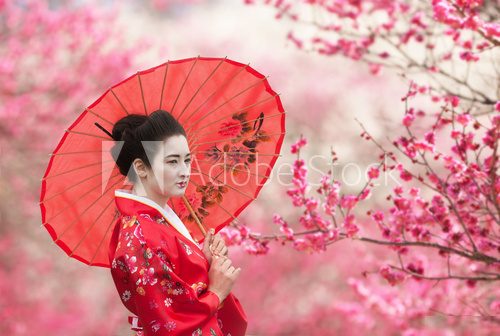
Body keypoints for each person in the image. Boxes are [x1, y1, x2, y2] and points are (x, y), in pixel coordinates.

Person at [107, 110, 248, 336]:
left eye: (187, 160)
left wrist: (204, 261)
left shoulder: (156, 221)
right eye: (173, 162)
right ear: (141, 168)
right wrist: (216, 293)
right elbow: (165, 322)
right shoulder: (139, 234)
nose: (184, 172)